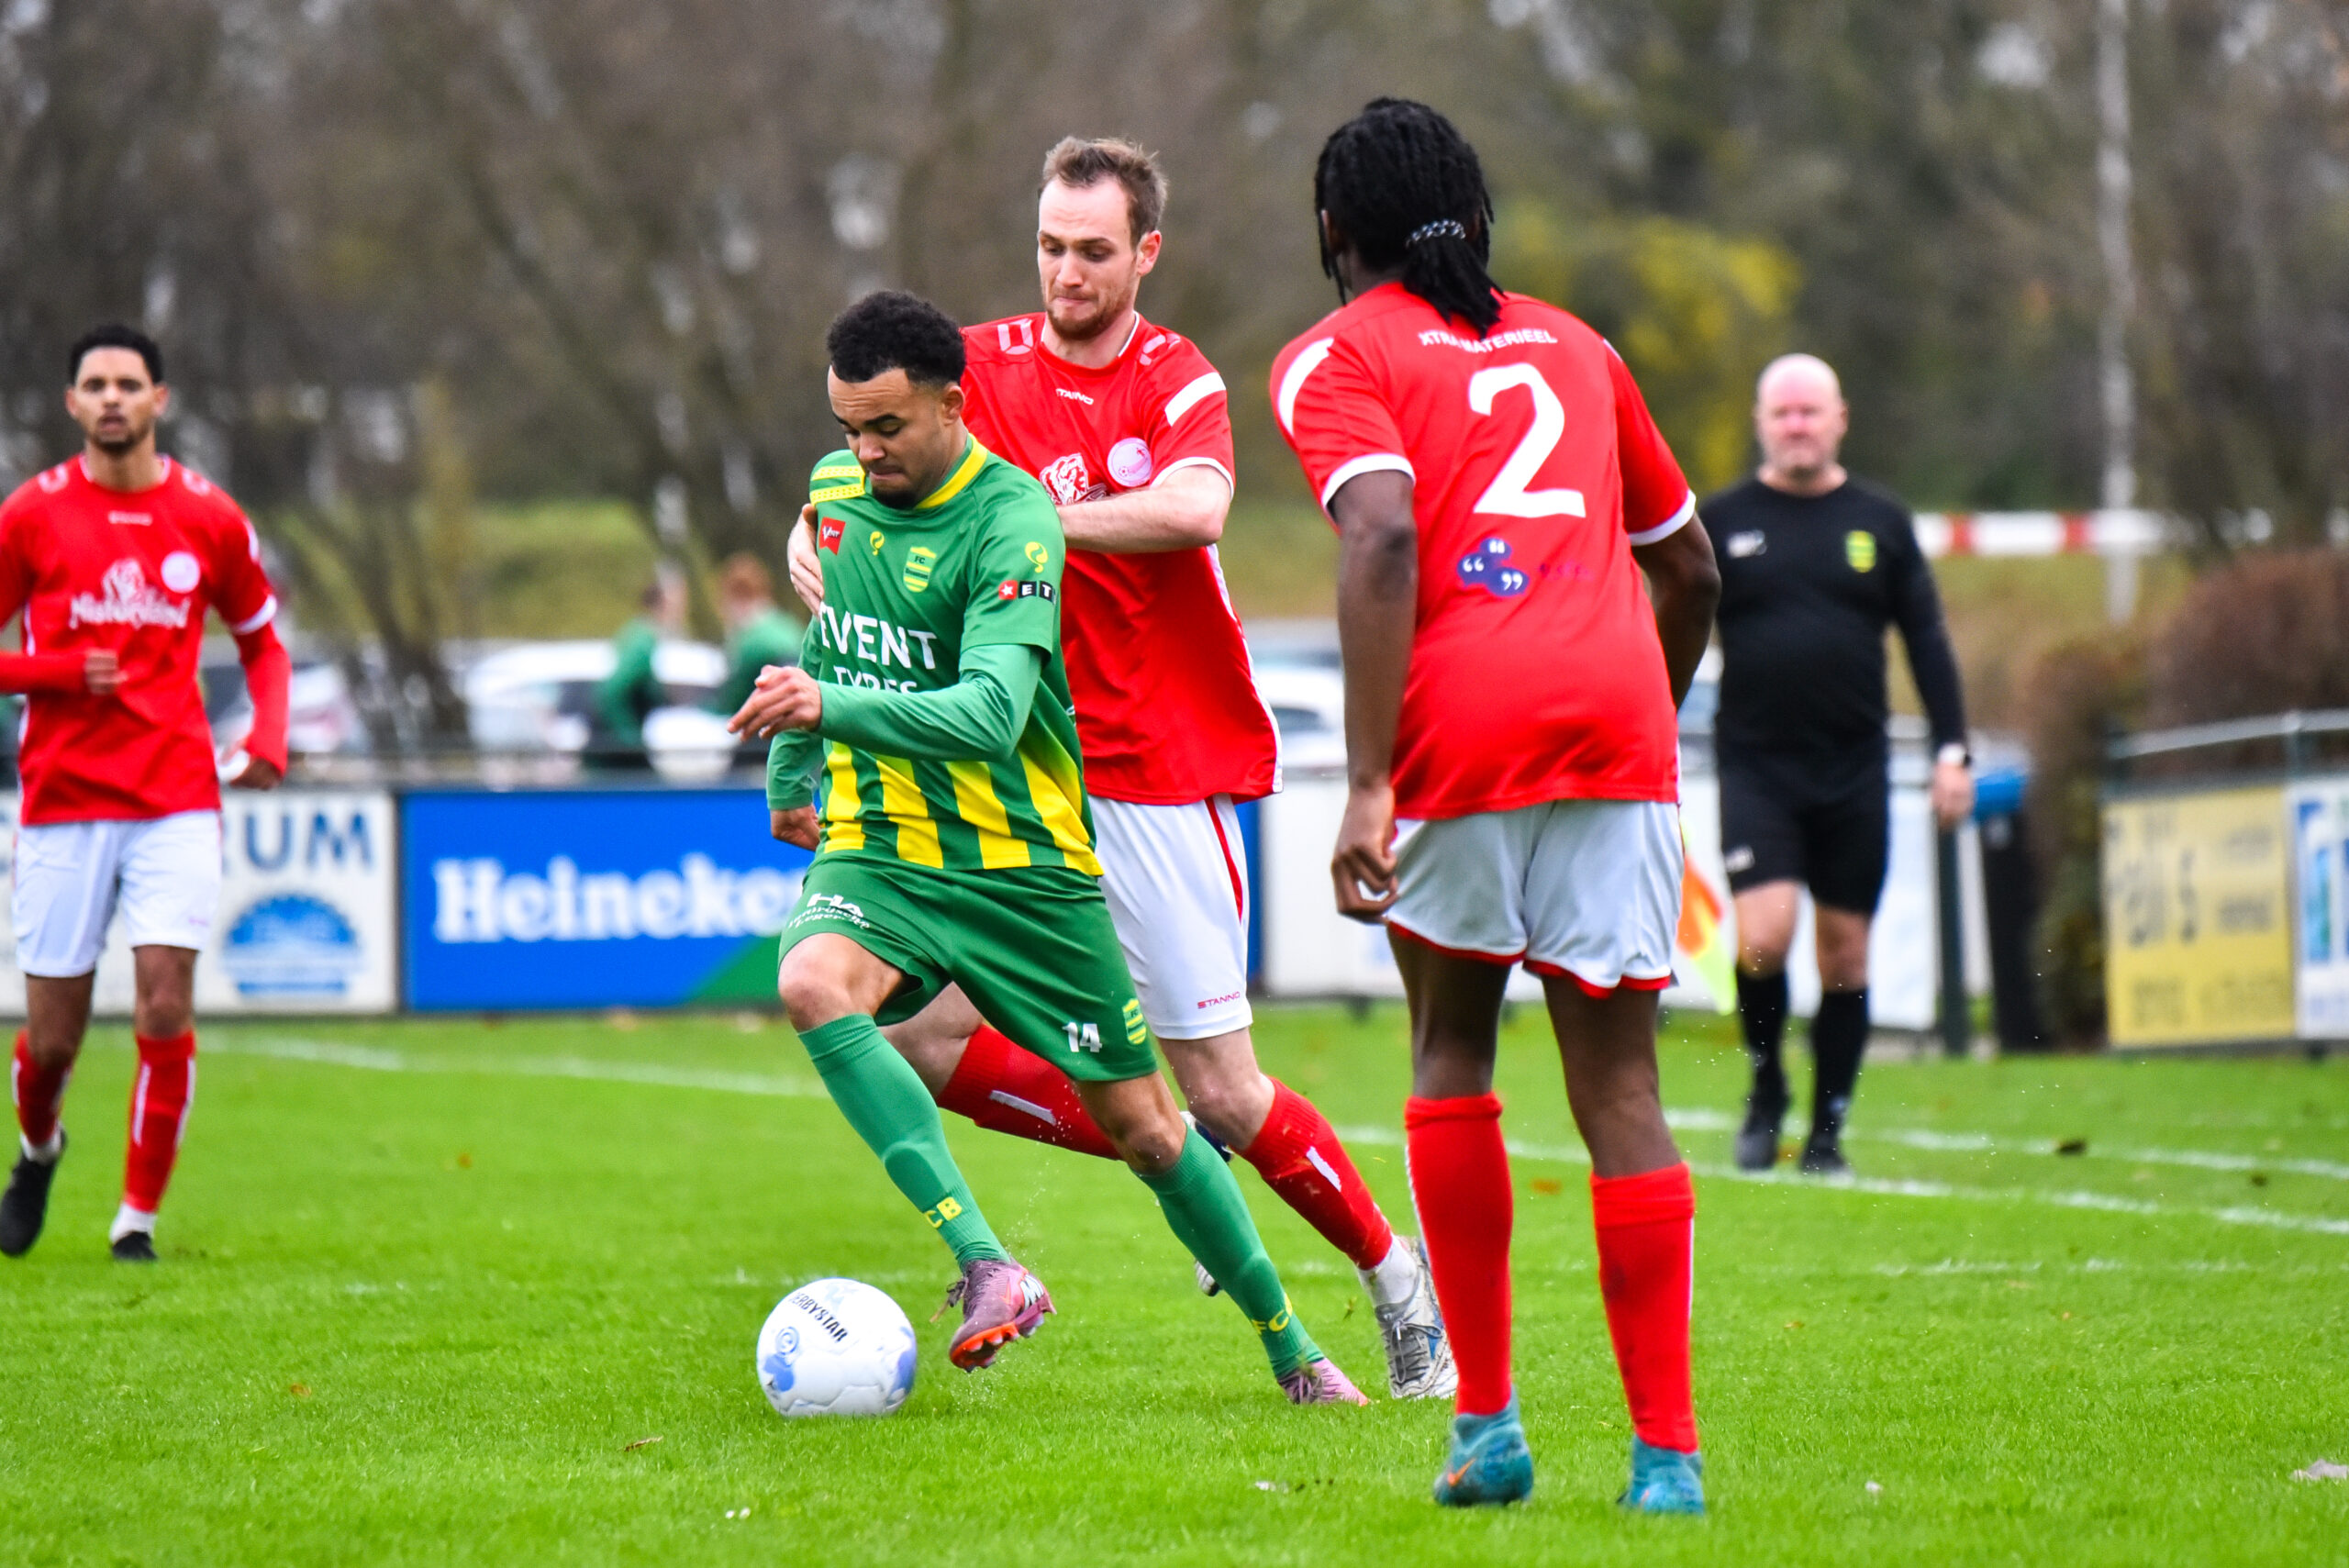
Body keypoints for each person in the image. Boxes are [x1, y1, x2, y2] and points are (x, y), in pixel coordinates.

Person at [789, 137, 1452, 1399]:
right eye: (1050, 244)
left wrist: (1019, 517)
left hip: (1153, 765)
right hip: (1007, 771)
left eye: (1094, 250)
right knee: (917, 1031)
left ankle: (1391, 1277)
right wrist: (810, 537)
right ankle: (1145, 1169)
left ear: (1146, 252)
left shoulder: (1174, 375)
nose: (1067, 271)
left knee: (1227, 1088)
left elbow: (1197, 506)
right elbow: (860, 464)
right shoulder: (972, 363)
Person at [1272, 99, 1721, 1509]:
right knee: (1625, 1087)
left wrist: (1364, 782)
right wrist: (1647, 703)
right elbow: (1694, 566)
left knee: (1450, 1050)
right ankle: (1667, 1460)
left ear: (1337, 231)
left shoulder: (1334, 356)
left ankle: (1489, 1427)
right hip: (1616, 723)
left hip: (1461, 730)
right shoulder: (1581, 347)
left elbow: (1386, 527)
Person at [0, 323, 289, 1263]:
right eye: (96, 383)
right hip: (62, 801)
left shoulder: (209, 516)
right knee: (50, 1039)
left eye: (131, 382)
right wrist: (50, 669)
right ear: (73, 403)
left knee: (165, 1003)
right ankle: (39, 1147)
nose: (114, 396)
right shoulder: (31, 515)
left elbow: (264, 644)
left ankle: (136, 1218)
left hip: (175, 795)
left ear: (160, 399)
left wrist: (269, 737)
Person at [1699, 353, 1973, 1175]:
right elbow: (1668, 633)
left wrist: (1951, 749)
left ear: (1839, 418)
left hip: (1853, 770)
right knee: (1763, 937)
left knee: (1845, 954)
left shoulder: (1881, 522)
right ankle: (1766, 1083)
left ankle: (1827, 1132)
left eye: (1810, 412)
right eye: (1782, 413)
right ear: (1760, 422)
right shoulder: (1720, 521)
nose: (1797, 426)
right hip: (1757, 766)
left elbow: (1926, 639)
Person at [708, 552, 802, 772]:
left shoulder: (750, 641)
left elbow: (732, 701)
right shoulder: (788, 626)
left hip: (763, 745)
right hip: (799, 739)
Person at [590, 567, 685, 772]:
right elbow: (613, 691)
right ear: (663, 605)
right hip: (614, 754)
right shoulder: (643, 641)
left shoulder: (635, 631)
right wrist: (630, 741)